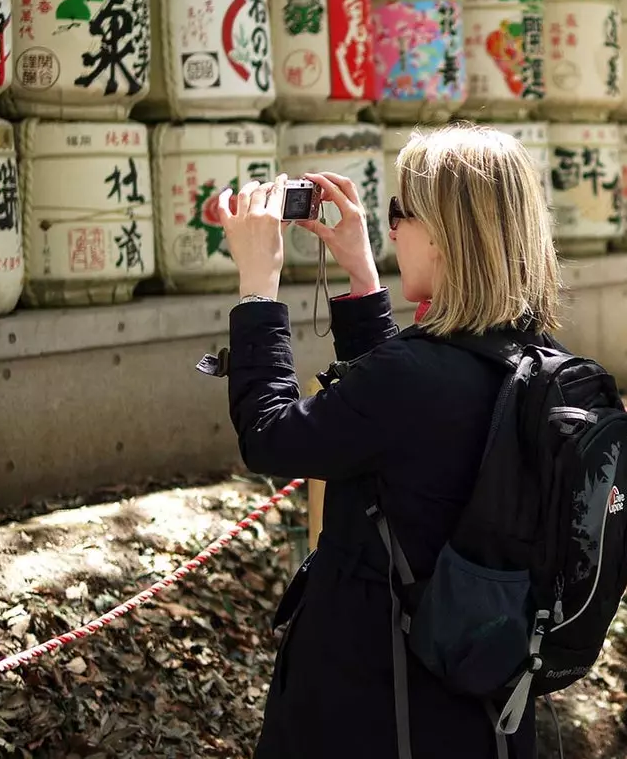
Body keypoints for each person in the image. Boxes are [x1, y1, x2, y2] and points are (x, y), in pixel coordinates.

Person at [215, 123, 560, 759]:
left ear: (450, 232)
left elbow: (272, 439)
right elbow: (402, 417)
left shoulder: (416, 377)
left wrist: (257, 290)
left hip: (375, 696)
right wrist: (361, 274)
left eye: (401, 211)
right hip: (484, 695)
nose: (392, 227)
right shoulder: (536, 362)